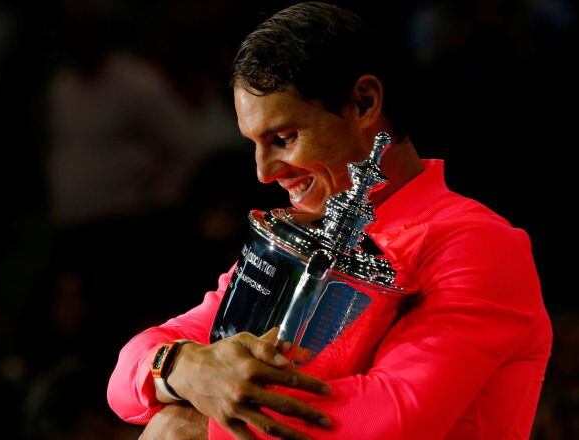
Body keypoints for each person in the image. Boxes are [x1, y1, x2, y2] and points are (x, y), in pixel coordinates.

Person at [106, 3, 552, 439]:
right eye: (254, 144)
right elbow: (125, 379)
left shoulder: (480, 244)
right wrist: (180, 367)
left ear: (363, 103)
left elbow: (393, 419)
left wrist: (207, 419)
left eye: (283, 138)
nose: (264, 172)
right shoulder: (298, 238)